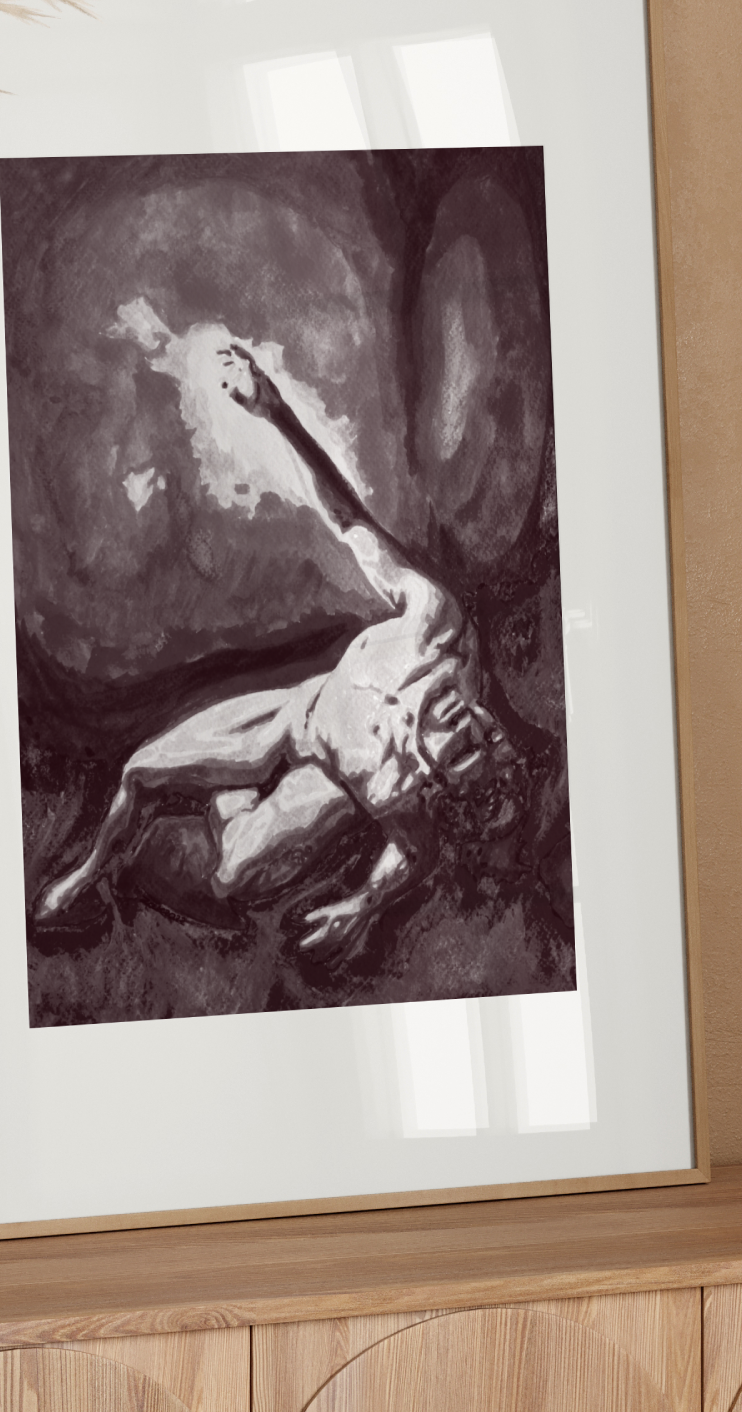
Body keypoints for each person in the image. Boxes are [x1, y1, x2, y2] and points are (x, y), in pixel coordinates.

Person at [34, 336, 511, 958]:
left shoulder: (395, 790)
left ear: (435, 774)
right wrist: (274, 408)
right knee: (141, 772)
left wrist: (359, 906)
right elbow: (350, 522)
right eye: (484, 721)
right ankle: (85, 877)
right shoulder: (432, 623)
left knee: (231, 874)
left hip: (329, 777)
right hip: (293, 713)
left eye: (468, 742)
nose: (469, 716)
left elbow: (414, 853)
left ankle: (233, 797)